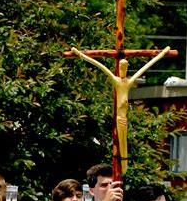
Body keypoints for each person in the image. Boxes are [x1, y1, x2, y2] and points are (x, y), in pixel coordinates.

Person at [71, 46, 170, 174]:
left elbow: (144, 68)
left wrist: (161, 55)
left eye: (125, 68)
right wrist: (81, 55)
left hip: (124, 118)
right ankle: (123, 166)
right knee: (121, 141)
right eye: (121, 68)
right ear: (119, 69)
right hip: (119, 118)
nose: (123, 70)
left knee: (124, 143)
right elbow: (100, 66)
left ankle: (125, 165)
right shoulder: (116, 81)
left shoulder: (128, 82)